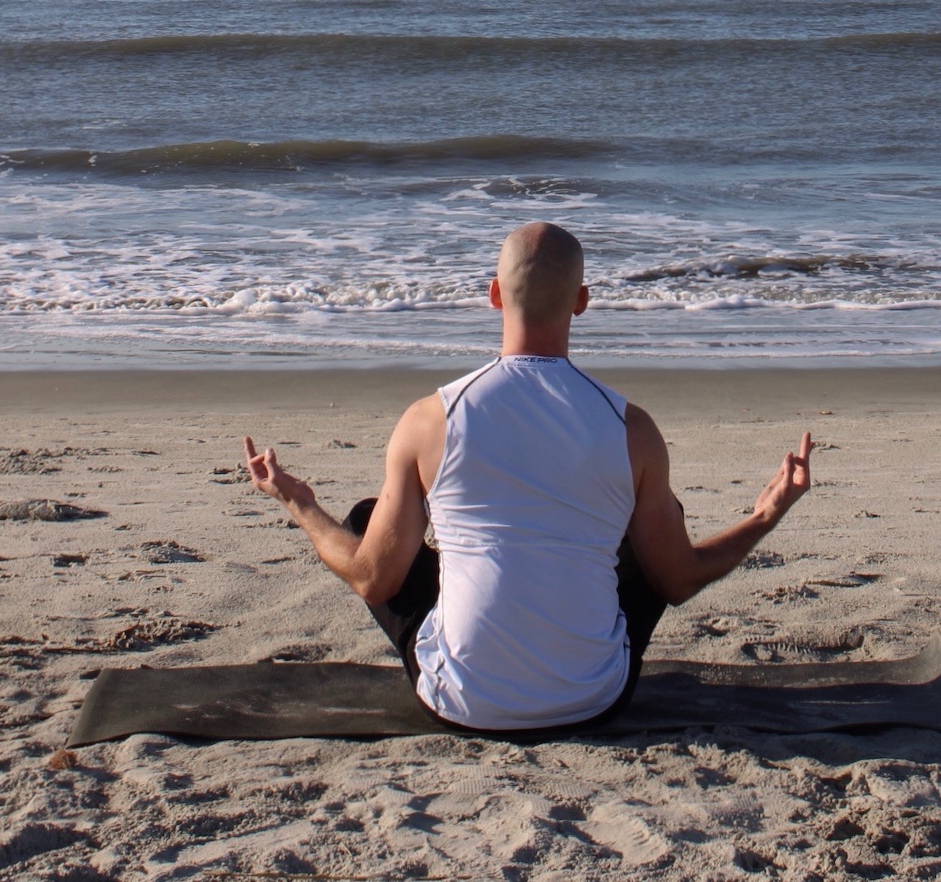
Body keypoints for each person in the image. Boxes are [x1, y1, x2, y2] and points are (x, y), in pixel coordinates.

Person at [244, 221, 812, 733]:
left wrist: (299, 503)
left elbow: (373, 579)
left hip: (460, 702)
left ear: (494, 295)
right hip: (594, 699)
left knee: (371, 522)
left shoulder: (428, 420)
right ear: (582, 302)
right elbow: (679, 580)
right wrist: (767, 514)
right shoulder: (631, 428)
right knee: (658, 522)